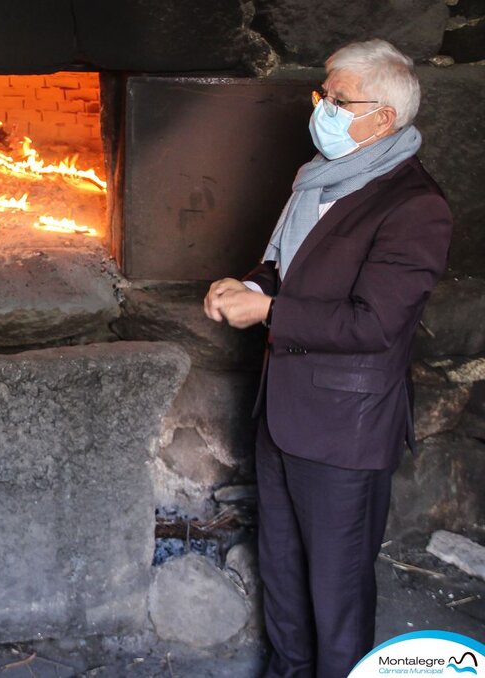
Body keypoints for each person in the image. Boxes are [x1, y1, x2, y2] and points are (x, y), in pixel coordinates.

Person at [203, 40, 452, 677]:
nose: (324, 108)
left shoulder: (414, 207)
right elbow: (285, 263)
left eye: (339, 100)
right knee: (283, 577)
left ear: (384, 119)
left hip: (344, 430)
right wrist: (251, 286)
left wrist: (269, 314)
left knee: (336, 598)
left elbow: (375, 323)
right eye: (323, 96)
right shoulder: (319, 178)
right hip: (283, 414)